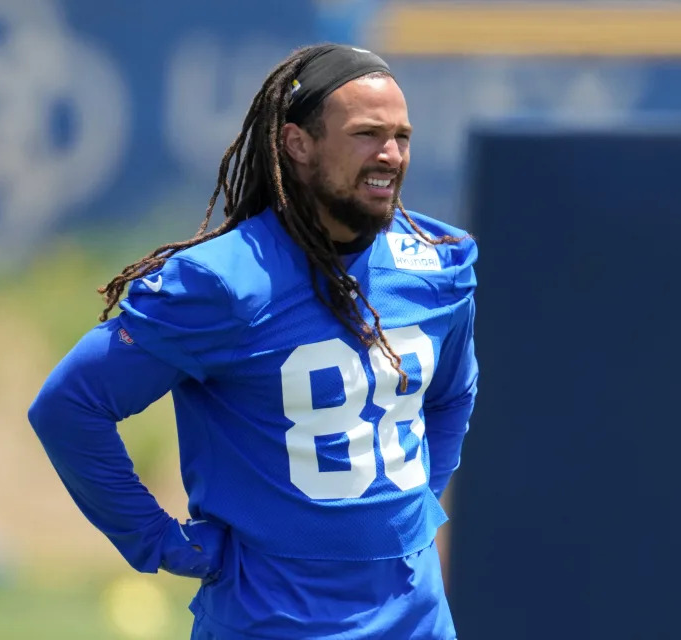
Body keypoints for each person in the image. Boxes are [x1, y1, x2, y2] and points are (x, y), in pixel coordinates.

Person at [28, 43, 478, 639]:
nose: (390, 155)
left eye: (402, 136)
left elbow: (452, 395)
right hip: (271, 622)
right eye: (367, 134)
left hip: (416, 621)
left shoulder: (437, 262)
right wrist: (159, 542)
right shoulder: (223, 282)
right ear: (297, 144)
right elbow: (69, 407)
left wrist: (418, 506)